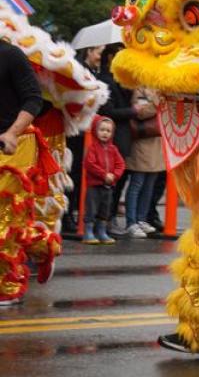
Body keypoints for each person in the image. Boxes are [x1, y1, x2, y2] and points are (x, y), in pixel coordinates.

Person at [0, 40, 50, 305]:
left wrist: (12, 132)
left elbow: (34, 98)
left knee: (5, 221)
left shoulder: (10, 55)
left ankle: (7, 287)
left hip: (13, 145)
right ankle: (43, 248)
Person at [97, 43, 142, 235]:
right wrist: (133, 111)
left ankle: (111, 217)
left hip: (123, 138)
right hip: (113, 136)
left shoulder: (123, 81)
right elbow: (108, 111)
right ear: (110, 58)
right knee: (109, 182)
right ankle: (104, 220)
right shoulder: (106, 80)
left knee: (119, 180)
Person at [63, 45, 105, 232]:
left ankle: (78, 213)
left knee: (83, 176)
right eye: (98, 53)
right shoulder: (77, 70)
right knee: (72, 174)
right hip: (76, 131)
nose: (100, 57)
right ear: (89, 51)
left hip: (91, 130)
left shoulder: (99, 72)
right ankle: (66, 214)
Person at [125, 88, 165, 238]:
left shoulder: (158, 88)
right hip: (142, 141)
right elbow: (140, 112)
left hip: (155, 141)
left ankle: (142, 219)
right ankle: (131, 222)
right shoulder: (138, 89)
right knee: (137, 184)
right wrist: (157, 102)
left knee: (150, 184)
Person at [82, 116, 125, 244]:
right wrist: (104, 175)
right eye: (102, 130)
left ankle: (101, 231)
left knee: (104, 209)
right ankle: (88, 232)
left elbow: (121, 164)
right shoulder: (93, 148)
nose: (105, 133)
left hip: (108, 185)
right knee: (91, 208)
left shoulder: (113, 149)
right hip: (94, 185)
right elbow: (89, 163)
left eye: (108, 131)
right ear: (96, 131)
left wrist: (114, 175)